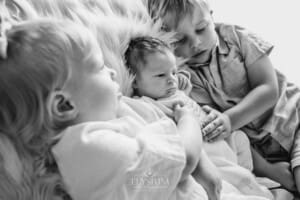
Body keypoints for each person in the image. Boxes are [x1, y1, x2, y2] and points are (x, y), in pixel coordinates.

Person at [0, 17, 212, 200]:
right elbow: (184, 160)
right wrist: (187, 119)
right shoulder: (90, 148)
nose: (113, 71)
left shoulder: (93, 129)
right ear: (64, 105)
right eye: (101, 67)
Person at [146, 0, 299, 193]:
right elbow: (223, 133)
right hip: (263, 150)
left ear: (211, 16)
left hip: (293, 118)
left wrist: (229, 119)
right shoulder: (183, 78)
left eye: (201, 29)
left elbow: (268, 89)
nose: (195, 43)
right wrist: (269, 169)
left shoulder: (238, 38)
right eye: (180, 41)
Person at [124, 35, 273, 200]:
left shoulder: (175, 91)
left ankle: (249, 177)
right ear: (135, 81)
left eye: (173, 72)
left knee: (241, 139)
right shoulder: (147, 104)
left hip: (222, 141)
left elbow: (182, 95)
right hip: (209, 157)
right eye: (160, 75)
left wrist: (183, 90)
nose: (171, 80)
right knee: (242, 180)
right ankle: (254, 190)